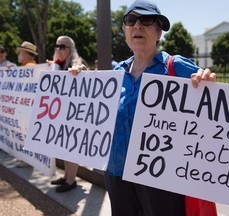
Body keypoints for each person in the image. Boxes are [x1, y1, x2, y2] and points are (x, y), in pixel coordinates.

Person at [69, 0, 215, 215]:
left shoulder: (177, 67)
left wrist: (208, 82)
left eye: (146, 20)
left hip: (161, 178)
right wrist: (80, 80)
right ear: (125, 31)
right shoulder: (115, 73)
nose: (137, 26)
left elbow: (212, 107)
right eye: (131, 21)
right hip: (116, 173)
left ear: (158, 33)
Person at [48, 35, 86, 193]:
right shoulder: (56, 66)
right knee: (63, 146)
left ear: (70, 49)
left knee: (71, 148)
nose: (58, 49)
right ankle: (66, 176)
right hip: (60, 114)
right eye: (56, 46)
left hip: (74, 115)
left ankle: (71, 180)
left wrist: (81, 71)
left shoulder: (76, 64)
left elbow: (85, 73)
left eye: (62, 47)